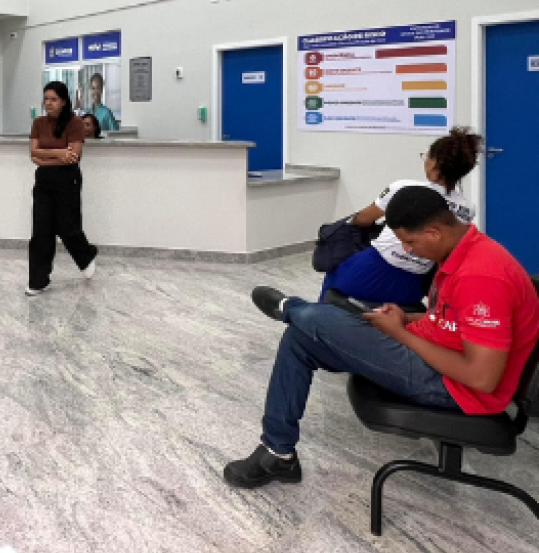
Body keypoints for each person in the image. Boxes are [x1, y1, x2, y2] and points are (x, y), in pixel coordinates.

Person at [223, 185, 539, 489]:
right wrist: (406, 319)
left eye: (410, 242)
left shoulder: (482, 276)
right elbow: (452, 322)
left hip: (456, 389)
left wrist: (400, 333)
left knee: (316, 318)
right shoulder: (462, 251)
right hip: (436, 359)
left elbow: (482, 378)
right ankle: (278, 454)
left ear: (434, 232)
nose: (408, 250)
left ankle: (290, 307)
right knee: (301, 338)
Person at [321, 127, 481, 306]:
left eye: (426, 156)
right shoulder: (468, 209)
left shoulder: (404, 188)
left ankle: (319, 317)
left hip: (372, 269)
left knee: (333, 269)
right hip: (413, 285)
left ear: (434, 163)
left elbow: (363, 219)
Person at [27, 81, 98, 295]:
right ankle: (38, 280)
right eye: (46, 99)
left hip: (68, 179)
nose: (48, 103)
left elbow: (74, 156)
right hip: (44, 181)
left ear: (64, 101)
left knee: (67, 227)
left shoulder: (75, 123)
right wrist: (59, 153)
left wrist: (44, 156)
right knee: (41, 230)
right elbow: (33, 154)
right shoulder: (38, 123)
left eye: (54, 99)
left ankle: (86, 256)